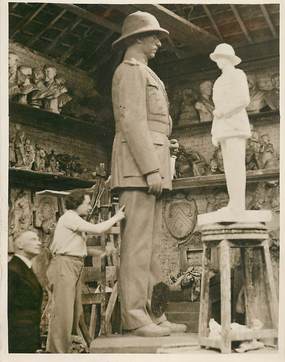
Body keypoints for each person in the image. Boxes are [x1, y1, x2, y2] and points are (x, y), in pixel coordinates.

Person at [111, 11, 187, 337]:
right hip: (138, 171)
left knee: (152, 246)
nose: (158, 42)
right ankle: (134, 317)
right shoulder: (129, 72)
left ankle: (153, 313)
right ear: (137, 38)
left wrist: (163, 152)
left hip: (150, 168)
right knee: (137, 246)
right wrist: (151, 168)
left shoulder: (145, 73)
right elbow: (132, 123)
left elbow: (152, 124)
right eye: (153, 36)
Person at [46, 189, 125, 353]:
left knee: (75, 310)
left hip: (73, 265)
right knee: (63, 311)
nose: (90, 207)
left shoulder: (74, 219)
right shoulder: (69, 217)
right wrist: (117, 217)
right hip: (65, 265)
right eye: (87, 203)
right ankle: (57, 352)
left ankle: (69, 347)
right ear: (77, 203)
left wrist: (100, 252)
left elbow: (75, 247)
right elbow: (96, 229)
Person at [210, 43, 251, 214]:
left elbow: (243, 99)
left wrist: (223, 112)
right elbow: (216, 109)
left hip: (235, 125)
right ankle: (233, 203)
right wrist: (214, 131)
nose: (218, 60)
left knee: (236, 165)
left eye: (220, 57)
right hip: (223, 129)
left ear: (228, 59)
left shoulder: (238, 74)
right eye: (217, 57)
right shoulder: (219, 81)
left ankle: (238, 204)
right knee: (228, 167)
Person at [8, 231, 43, 353]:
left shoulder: (24, 268)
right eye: (33, 239)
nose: (39, 243)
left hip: (28, 339)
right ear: (19, 244)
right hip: (18, 341)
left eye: (38, 239)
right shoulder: (12, 270)